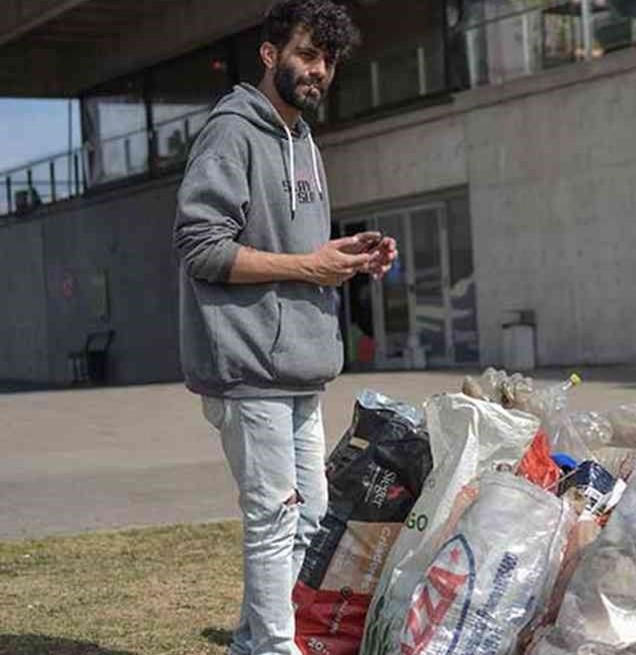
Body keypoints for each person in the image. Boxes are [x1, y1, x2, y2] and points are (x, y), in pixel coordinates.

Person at [172, 2, 395, 654]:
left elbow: (303, 252)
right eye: (306, 54)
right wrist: (311, 262)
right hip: (247, 363)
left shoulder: (303, 142)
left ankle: (256, 638)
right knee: (274, 518)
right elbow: (200, 245)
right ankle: (271, 648)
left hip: (300, 361)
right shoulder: (232, 133)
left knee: (310, 518)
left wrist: (347, 255)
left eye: (328, 60)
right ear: (270, 55)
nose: (318, 71)